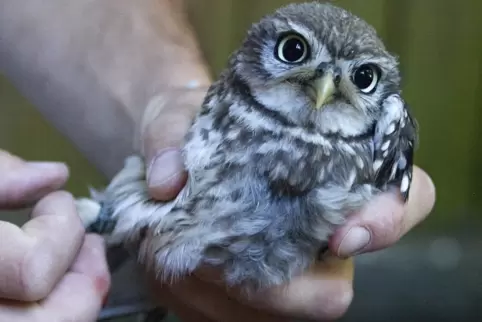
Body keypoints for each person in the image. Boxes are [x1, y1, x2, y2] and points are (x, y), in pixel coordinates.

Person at [0, 0, 436, 321]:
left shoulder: (377, 135)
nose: (324, 88)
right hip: (120, 254)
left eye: (362, 78)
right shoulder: (230, 102)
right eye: (294, 53)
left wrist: (164, 94)